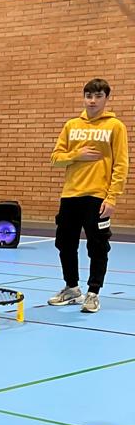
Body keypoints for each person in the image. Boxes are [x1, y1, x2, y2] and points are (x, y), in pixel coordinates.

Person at [48, 78, 127, 313]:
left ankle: (93, 292)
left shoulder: (115, 126)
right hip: (71, 195)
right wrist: (76, 154)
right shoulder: (72, 125)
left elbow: (121, 164)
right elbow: (55, 158)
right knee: (65, 243)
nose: (92, 101)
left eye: (98, 96)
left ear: (106, 99)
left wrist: (112, 197)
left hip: (98, 197)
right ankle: (72, 288)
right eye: (88, 96)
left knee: (98, 246)